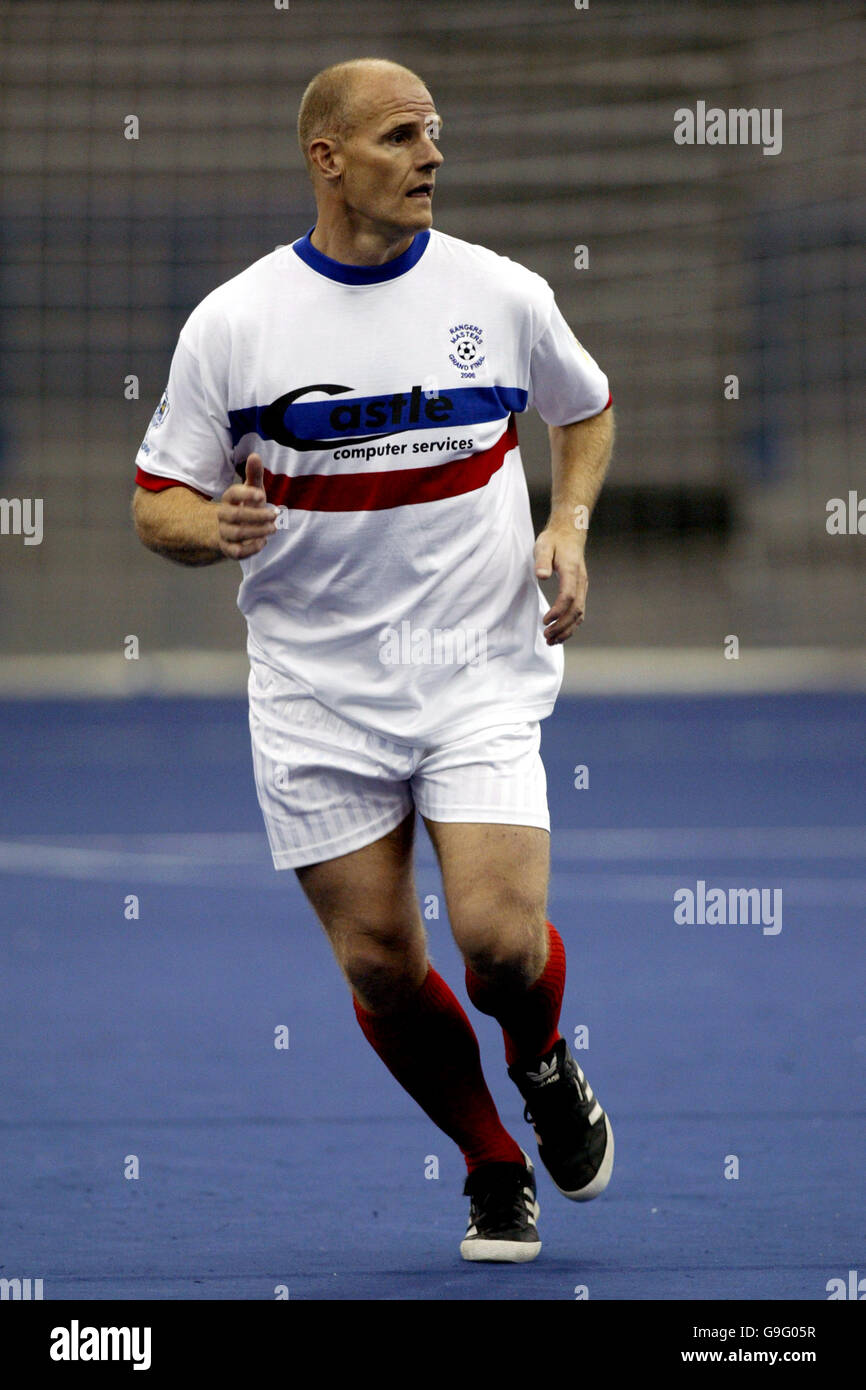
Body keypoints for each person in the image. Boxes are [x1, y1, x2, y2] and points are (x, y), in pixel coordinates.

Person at [132, 57, 615, 1263]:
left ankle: (542, 1061)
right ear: (328, 158)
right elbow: (155, 503)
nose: (432, 156)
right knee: (380, 961)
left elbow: (586, 407)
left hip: (476, 668)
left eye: (436, 134)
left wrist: (563, 525)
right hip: (315, 693)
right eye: (402, 136)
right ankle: (490, 1162)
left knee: (499, 944)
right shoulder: (236, 322)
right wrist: (213, 528)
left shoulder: (497, 293)